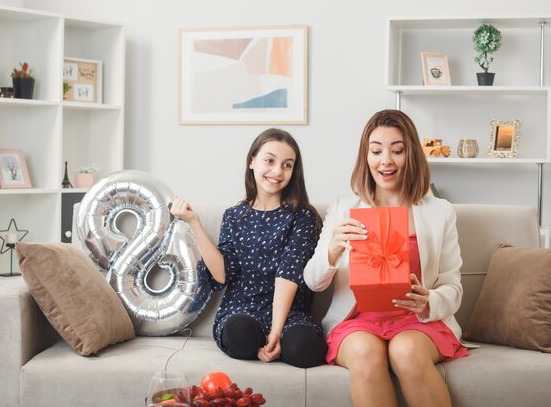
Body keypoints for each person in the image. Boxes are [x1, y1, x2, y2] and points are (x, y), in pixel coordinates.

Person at [303, 109, 467, 407]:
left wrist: (430, 300)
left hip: (418, 321)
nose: (386, 161)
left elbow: (453, 287)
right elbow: (313, 282)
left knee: (405, 351)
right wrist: (333, 249)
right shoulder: (343, 208)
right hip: (357, 322)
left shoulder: (440, 211)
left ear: (412, 155)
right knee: (366, 353)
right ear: (366, 157)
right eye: (376, 151)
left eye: (397, 151)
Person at [171, 128, 327, 368]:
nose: (277, 171)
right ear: (252, 161)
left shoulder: (302, 216)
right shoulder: (234, 216)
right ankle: (264, 344)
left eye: (287, 165)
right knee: (241, 336)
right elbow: (222, 274)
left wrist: (276, 333)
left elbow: (289, 273)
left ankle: (275, 343)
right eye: (270, 161)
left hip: (289, 315)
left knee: (305, 349)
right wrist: (194, 223)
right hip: (242, 310)